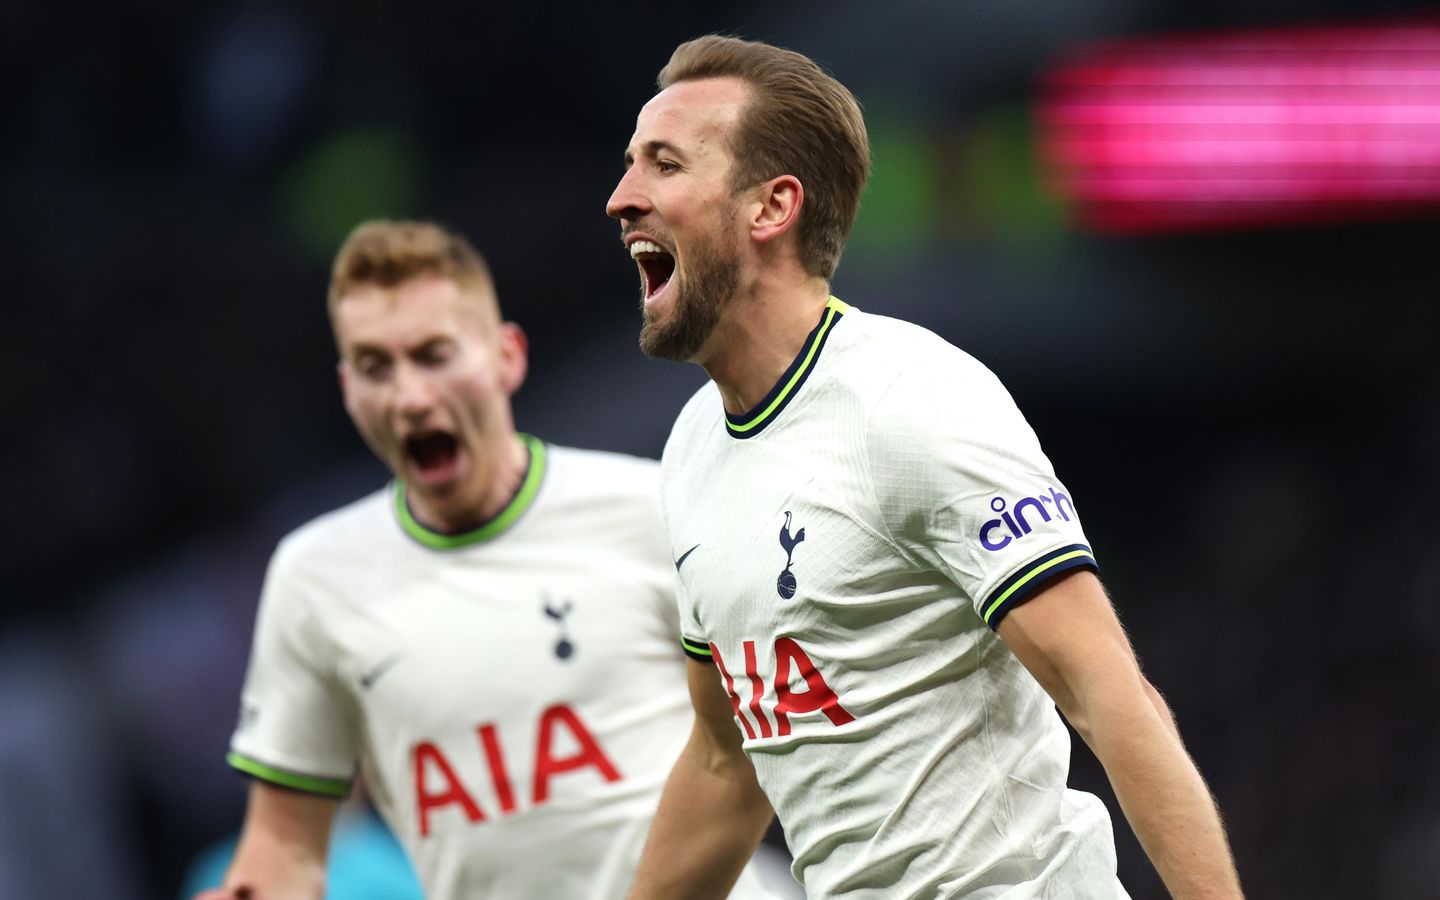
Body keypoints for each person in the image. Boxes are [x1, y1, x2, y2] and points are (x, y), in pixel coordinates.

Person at [605, 35, 1245, 899]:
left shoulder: (911, 401)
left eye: (665, 164)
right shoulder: (691, 449)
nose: (622, 198)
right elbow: (726, 762)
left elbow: (1105, 693)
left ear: (771, 207)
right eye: (631, 164)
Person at [199, 220, 777, 900]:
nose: (411, 397)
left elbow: (758, 748)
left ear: (507, 357)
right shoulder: (314, 578)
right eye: (376, 367)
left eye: (434, 356)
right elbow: (286, 844)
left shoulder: (656, 509)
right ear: (348, 389)